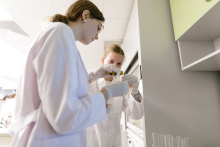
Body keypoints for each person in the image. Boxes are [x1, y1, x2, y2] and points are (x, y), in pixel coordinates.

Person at [8, 0, 130, 147]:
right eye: (98, 27)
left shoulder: (65, 39)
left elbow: (63, 87)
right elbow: (63, 116)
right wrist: (107, 93)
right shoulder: (60, 32)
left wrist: (92, 76)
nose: (97, 36)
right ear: (85, 15)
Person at [87, 44, 144, 147]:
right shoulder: (90, 83)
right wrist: (92, 76)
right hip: (91, 143)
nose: (114, 66)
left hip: (112, 143)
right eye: (111, 61)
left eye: (119, 63)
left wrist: (135, 92)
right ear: (103, 61)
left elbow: (136, 114)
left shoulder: (121, 88)